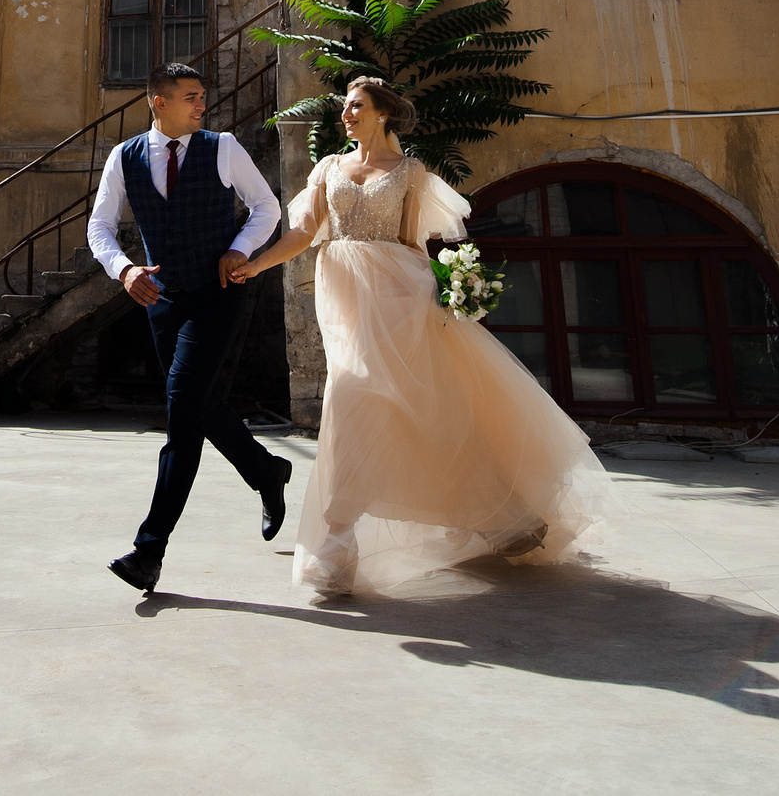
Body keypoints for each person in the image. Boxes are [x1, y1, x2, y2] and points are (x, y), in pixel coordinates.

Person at [228, 77, 609, 598]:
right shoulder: (328, 167)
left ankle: (502, 515)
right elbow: (302, 234)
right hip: (346, 303)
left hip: (400, 299)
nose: (346, 115)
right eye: (345, 107)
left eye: (356, 106)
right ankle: (336, 546)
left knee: (427, 409)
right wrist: (255, 265)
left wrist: (448, 293)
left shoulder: (411, 171)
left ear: (382, 113)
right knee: (351, 397)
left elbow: (412, 244)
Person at [87, 62, 292, 595]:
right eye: (191, 97)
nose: (202, 104)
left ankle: (148, 551)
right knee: (198, 402)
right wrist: (124, 270)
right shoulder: (124, 156)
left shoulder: (222, 147)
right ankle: (266, 472)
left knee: (182, 411)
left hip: (218, 293)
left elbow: (266, 208)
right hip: (161, 299)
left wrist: (240, 249)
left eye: (202, 96)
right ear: (158, 102)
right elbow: (100, 226)